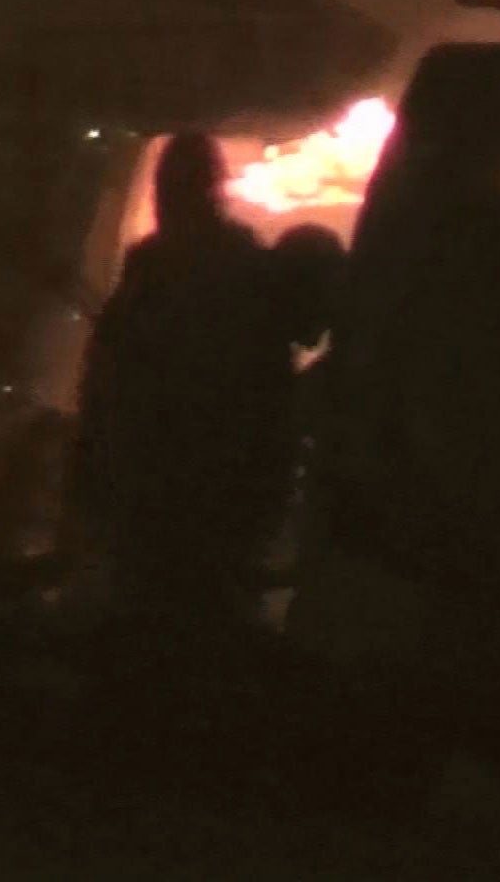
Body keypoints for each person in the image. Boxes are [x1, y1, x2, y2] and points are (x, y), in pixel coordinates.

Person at [70, 132, 295, 630]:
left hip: (180, 470)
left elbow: (111, 369)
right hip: (193, 471)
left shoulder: (162, 265)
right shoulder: (223, 261)